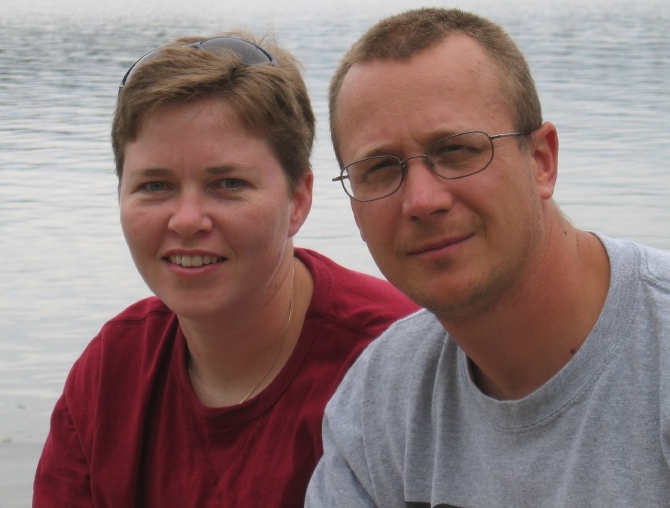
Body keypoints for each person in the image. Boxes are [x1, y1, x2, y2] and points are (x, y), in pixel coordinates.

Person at [305, 7, 670, 507]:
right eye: (379, 169)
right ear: (354, 208)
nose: (421, 201)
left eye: (457, 150)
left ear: (542, 161)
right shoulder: (377, 402)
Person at [32, 33, 418, 507]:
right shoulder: (112, 371)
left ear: (298, 200)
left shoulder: (394, 365)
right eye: (155, 186)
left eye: (228, 184)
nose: (188, 220)